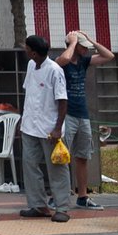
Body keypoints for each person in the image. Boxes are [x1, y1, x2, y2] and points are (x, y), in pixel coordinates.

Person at [56, 29, 115, 208]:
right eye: (84, 47)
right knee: (61, 156)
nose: (87, 50)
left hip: (83, 115)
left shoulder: (84, 61)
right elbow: (62, 60)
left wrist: (90, 39)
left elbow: (109, 56)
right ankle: (59, 194)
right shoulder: (63, 61)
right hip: (66, 114)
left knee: (82, 156)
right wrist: (73, 43)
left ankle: (82, 195)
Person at [18, 34, 71, 222]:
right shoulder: (31, 65)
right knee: (30, 165)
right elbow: (30, 94)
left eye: (26, 47)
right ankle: (39, 205)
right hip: (30, 126)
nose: (24, 50)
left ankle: (62, 207)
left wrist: (58, 128)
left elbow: (62, 100)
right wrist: (23, 120)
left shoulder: (55, 70)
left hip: (50, 129)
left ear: (32, 52)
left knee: (56, 168)